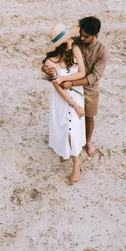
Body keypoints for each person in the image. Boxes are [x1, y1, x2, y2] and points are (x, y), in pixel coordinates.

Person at [43, 16, 108, 158]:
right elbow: (55, 57)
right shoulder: (73, 42)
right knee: (68, 117)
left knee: (89, 116)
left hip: (89, 88)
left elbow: (93, 77)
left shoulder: (102, 51)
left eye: (86, 36)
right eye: (81, 35)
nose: (82, 38)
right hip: (69, 87)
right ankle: (68, 145)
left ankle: (88, 141)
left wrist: (71, 83)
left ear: (96, 35)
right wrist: (45, 68)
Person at [43, 23, 87, 184]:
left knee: (73, 130)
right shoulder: (50, 62)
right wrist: (74, 105)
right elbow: (57, 87)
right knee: (63, 128)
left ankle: (76, 163)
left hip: (77, 93)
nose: (71, 41)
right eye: (68, 40)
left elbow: (82, 73)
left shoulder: (75, 50)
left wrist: (64, 79)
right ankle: (65, 150)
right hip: (61, 100)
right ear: (61, 44)